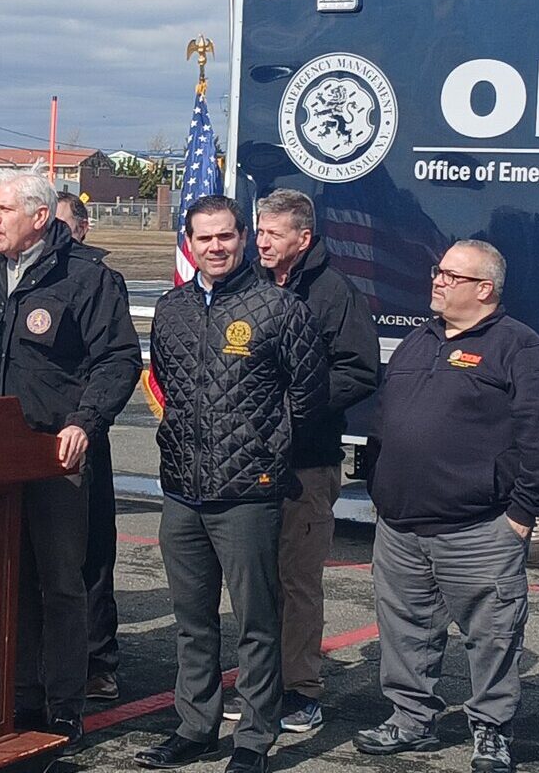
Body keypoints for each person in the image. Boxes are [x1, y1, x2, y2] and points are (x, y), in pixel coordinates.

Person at [0, 168, 141, 747]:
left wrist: (84, 421)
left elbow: (118, 361)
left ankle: (64, 706)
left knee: (59, 585)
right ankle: (14, 698)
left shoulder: (85, 278)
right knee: (2, 581)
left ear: (39, 217)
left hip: (51, 458)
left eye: (1, 209)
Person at [354, 240, 539, 773]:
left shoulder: (520, 349)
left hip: (478, 529)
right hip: (401, 526)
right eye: (438, 271)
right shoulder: (416, 341)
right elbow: (385, 423)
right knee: (404, 628)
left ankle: (491, 731)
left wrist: (521, 515)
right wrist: (379, 489)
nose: (437, 281)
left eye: (451, 275)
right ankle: (410, 718)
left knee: (493, 634)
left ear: (485, 289)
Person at [135, 195, 328, 773]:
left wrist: (267, 447)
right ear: (188, 244)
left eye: (226, 236)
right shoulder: (170, 309)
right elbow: (166, 382)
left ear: (243, 238)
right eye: (204, 238)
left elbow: (309, 395)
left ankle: (254, 739)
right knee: (193, 623)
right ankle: (196, 726)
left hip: (248, 494)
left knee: (256, 624)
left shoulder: (278, 309)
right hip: (182, 493)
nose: (215, 247)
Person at [232, 188, 379, 733]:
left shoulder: (333, 292)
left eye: (273, 234)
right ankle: (260, 687)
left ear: (303, 238)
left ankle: (301, 690)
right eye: (260, 231)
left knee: (296, 579)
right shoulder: (247, 283)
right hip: (246, 463)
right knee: (254, 580)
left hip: (305, 463)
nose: (262, 242)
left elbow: (362, 370)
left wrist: (292, 408)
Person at [55, 187, 122, 702]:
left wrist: (86, 418)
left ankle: (99, 659)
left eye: (64, 225)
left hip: (84, 432)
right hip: (29, 439)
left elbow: (112, 358)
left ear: (82, 228)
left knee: (92, 551)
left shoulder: (101, 280)